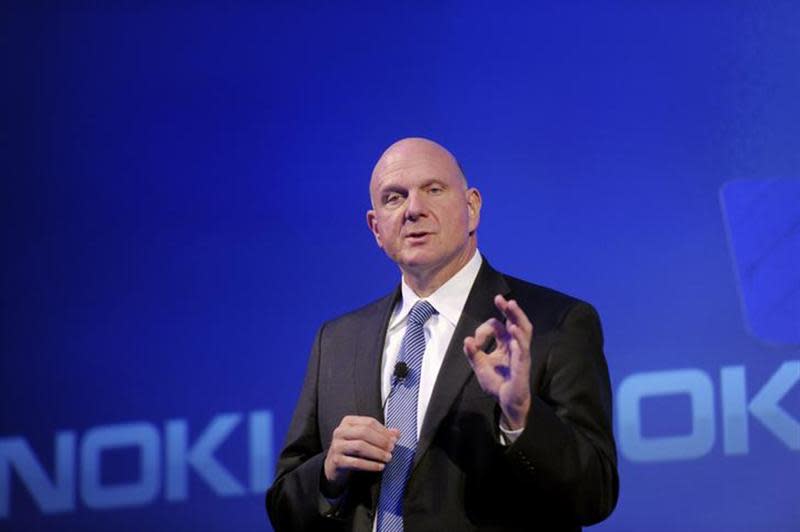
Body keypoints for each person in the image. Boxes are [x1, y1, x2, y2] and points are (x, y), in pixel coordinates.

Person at [266, 138, 618, 531]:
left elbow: (595, 494)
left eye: (433, 190)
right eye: (394, 198)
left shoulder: (554, 324)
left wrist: (521, 418)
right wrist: (329, 473)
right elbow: (284, 506)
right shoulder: (337, 340)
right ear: (376, 228)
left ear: (472, 208)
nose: (414, 210)